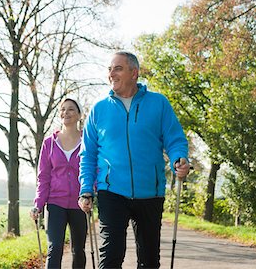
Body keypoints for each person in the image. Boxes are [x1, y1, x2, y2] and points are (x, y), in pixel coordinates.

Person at [78, 51, 190, 269]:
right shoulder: (99, 110)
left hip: (150, 191)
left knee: (149, 261)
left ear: (134, 73)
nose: (111, 73)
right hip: (111, 191)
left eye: (117, 68)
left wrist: (180, 159)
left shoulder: (158, 103)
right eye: (109, 69)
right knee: (110, 258)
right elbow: (88, 154)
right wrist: (85, 188)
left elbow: (175, 139)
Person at [30, 98, 87, 269]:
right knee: (55, 248)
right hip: (55, 203)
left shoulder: (87, 141)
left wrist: (89, 194)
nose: (65, 113)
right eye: (62, 109)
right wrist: (38, 205)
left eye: (70, 109)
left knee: (78, 250)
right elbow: (43, 177)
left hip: (80, 204)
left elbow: (93, 170)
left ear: (79, 115)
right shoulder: (49, 143)